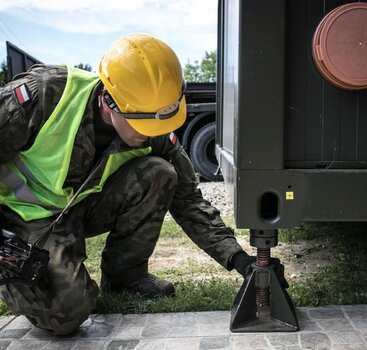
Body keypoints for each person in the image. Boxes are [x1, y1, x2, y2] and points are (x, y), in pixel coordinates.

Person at [0, 33, 255, 335]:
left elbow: (189, 200)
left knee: (160, 172)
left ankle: (125, 279)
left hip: (77, 208)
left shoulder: (154, 125)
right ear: (109, 102)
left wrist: (240, 260)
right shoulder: (44, 94)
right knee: (68, 314)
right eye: (142, 125)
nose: (151, 134)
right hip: (23, 215)